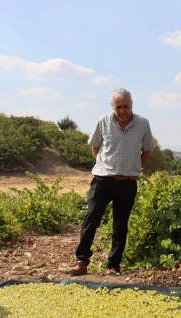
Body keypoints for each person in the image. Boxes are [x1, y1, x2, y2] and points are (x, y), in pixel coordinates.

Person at [67, 88, 155, 276]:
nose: (123, 110)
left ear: (132, 104)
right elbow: (95, 146)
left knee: (120, 224)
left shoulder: (143, 124)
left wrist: (133, 167)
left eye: (126, 106)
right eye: (118, 107)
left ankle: (113, 266)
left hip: (128, 182)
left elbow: (147, 150)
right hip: (102, 181)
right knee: (91, 219)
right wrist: (105, 166)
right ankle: (81, 261)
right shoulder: (103, 121)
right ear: (112, 106)